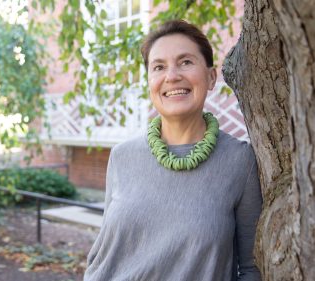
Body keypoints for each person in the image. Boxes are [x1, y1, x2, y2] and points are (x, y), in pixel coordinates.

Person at [84, 20, 262, 281]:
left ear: (211, 77)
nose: (172, 76)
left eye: (186, 62)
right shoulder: (121, 156)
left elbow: (251, 268)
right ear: (150, 81)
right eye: (159, 67)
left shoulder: (240, 161)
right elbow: (104, 253)